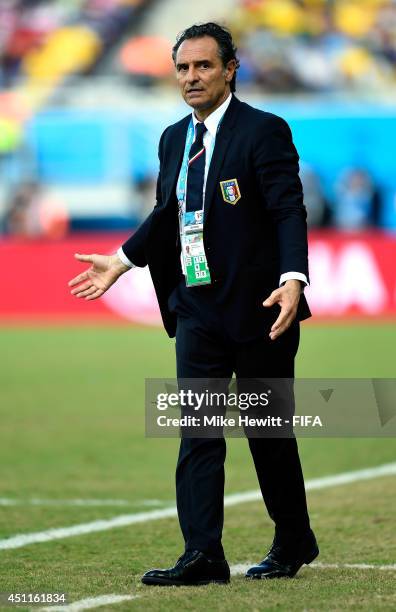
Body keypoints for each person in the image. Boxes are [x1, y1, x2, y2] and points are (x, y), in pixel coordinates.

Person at [69, 22, 319, 586]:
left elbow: (287, 209)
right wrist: (123, 259)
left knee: (268, 434)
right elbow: (165, 215)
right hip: (196, 307)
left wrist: (294, 277)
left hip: (260, 308)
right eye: (183, 68)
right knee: (198, 432)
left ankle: (294, 538)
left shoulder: (265, 131)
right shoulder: (172, 138)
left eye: (203, 66)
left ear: (230, 69)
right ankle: (203, 554)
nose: (191, 77)